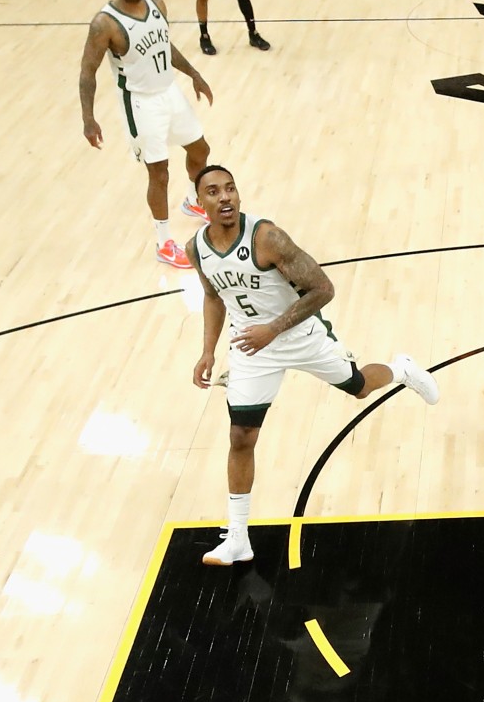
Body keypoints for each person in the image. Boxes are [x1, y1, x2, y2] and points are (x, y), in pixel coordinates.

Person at [188, 165, 439, 565]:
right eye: (214, 192)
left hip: (300, 335)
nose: (225, 198)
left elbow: (323, 289)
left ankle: (402, 369)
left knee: (358, 387)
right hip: (253, 348)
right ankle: (238, 537)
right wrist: (207, 350)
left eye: (231, 189)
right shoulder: (196, 249)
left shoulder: (267, 238)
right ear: (199, 201)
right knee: (240, 437)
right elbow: (213, 297)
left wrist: (273, 329)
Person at [78, 0, 215, 269]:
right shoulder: (105, 23)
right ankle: (165, 242)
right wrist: (88, 118)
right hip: (140, 103)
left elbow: (164, 46)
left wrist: (194, 73)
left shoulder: (158, 4)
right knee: (159, 172)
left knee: (200, 149)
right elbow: (88, 71)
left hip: (169, 92)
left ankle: (194, 203)